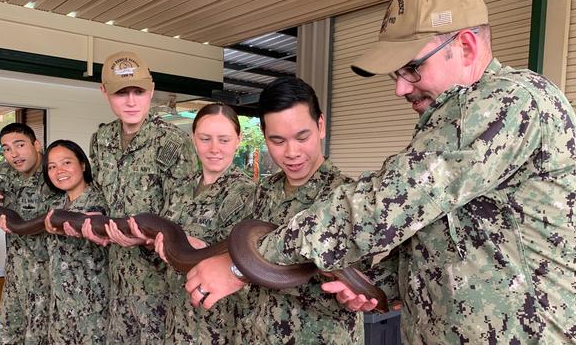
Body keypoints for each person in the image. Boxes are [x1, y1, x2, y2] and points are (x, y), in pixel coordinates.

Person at [185, 0, 576, 344]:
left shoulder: (508, 101)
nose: (400, 89)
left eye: (411, 68)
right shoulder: (451, 119)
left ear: (466, 45)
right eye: (395, 74)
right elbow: (446, 241)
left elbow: (389, 200)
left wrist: (247, 264)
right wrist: (378, 284)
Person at [187, 77, 398, 344]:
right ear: (264, 136)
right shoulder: (262, 191)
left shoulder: (347, 200)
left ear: (320, 126)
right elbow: (243, 251)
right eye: (277, 141)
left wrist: (239, 271)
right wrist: (204, 249)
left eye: (302, 136)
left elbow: (346, 289)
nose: (292, 152)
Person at [84, 50, 197, 344]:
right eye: (122, 92)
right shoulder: (101, 140)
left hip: (159, 284)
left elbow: (181, 218)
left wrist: (145, 239)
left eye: (139, 91)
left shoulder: (173, 142)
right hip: (116, 279)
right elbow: (99, 196)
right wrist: (93, 222)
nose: (132, 101)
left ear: (152, 91)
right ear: (104, 92)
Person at [146, 103, 255, 344]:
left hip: (219, 328)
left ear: (238, 140)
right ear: (193, 139)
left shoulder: (249, 194)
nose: (214, 149)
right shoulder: (180, 188)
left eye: (224, 140)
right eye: (205, 139)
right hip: (175, 320)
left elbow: (249, 265)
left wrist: (200, 248)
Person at [0, 123, 59, 344]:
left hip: (50, 272)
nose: (13, 154)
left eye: (19, 145)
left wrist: (3, 214)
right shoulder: (7, 170)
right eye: (6, 149)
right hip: (16, 268)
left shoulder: (53, 170)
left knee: (39, 334)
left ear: (37, 145)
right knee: (8, 329)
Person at [41, 140, 109, 344]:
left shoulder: (101, 202)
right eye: (52, 166)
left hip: (92, 311)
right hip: (60, 308)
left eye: (66, 162)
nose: (59, 170)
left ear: (83, 165)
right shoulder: (55, 205)